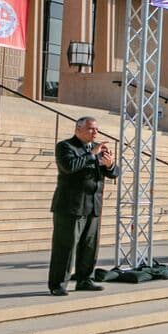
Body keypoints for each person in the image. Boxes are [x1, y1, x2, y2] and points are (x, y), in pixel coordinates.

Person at [48, 117, 118, 296]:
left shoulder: (97, 149)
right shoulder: (65, 146)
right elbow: (68, 166)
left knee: (89, 246)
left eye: (96, 129)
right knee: (65, 246)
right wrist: (91, 155)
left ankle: (84, 279)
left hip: (93, 205)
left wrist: (110, 166)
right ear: (78, 129)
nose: (95, 133)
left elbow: (114, 173)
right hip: (70, 206)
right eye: (90, 129)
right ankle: (58, 284)